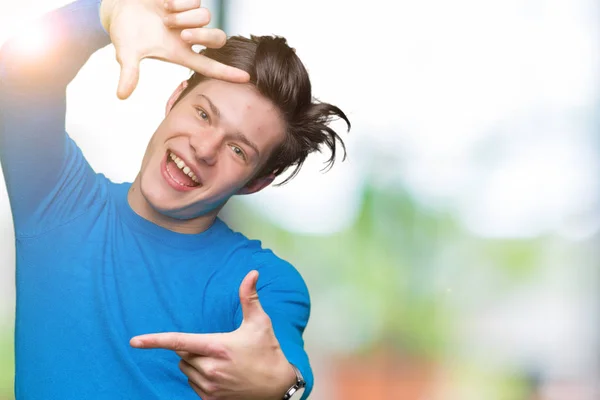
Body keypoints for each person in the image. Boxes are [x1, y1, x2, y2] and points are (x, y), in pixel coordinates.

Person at [0, 0, 349, 398]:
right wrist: (103, 14)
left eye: (238, 150)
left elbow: (283, 368)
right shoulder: (58, 200)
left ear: (256, 182)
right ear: (176, 98)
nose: (204, 148)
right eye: (203, 114)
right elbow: (14, 81)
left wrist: (279, 386)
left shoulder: (260, 282)